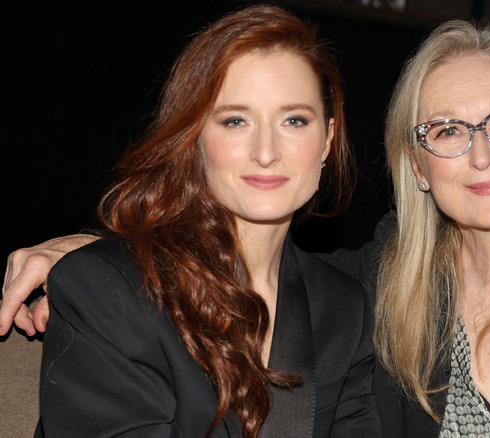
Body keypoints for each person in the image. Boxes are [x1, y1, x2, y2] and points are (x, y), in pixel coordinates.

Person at [1, 17, 490, 438]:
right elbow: (218, 269)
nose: (480, 152)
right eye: (445, 130)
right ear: (417, 165)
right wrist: (96, 250)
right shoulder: (371, 290)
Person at [4, 5, 379, 437]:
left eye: (294, 120)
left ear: (327, 141)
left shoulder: (345, 311)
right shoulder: (103, 289)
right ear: (195, 137)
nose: (266, 151)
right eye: (235, 120)